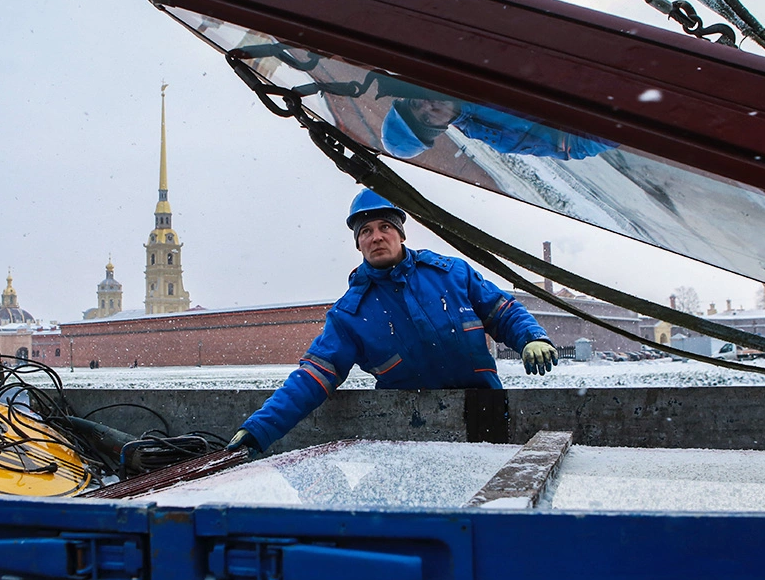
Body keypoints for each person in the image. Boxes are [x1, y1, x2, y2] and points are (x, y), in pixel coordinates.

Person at [226, 189, 559, 454]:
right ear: (358, 243)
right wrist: (259, 430)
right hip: (410, 434)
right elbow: (313, 377)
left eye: (385, 227)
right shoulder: (350, 316)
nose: (376, 237)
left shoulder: (452, 274)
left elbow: (502, 312)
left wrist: (532, 337)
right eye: (366, 231)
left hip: (484, 415)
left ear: (400, 234)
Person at [381, 97, 617, 161]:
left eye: (414, 104)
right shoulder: (500, 135)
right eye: (425, 118)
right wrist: (620, 124)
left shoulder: (444, 62)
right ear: (436, 130)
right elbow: (574, 145)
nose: (427, 105)